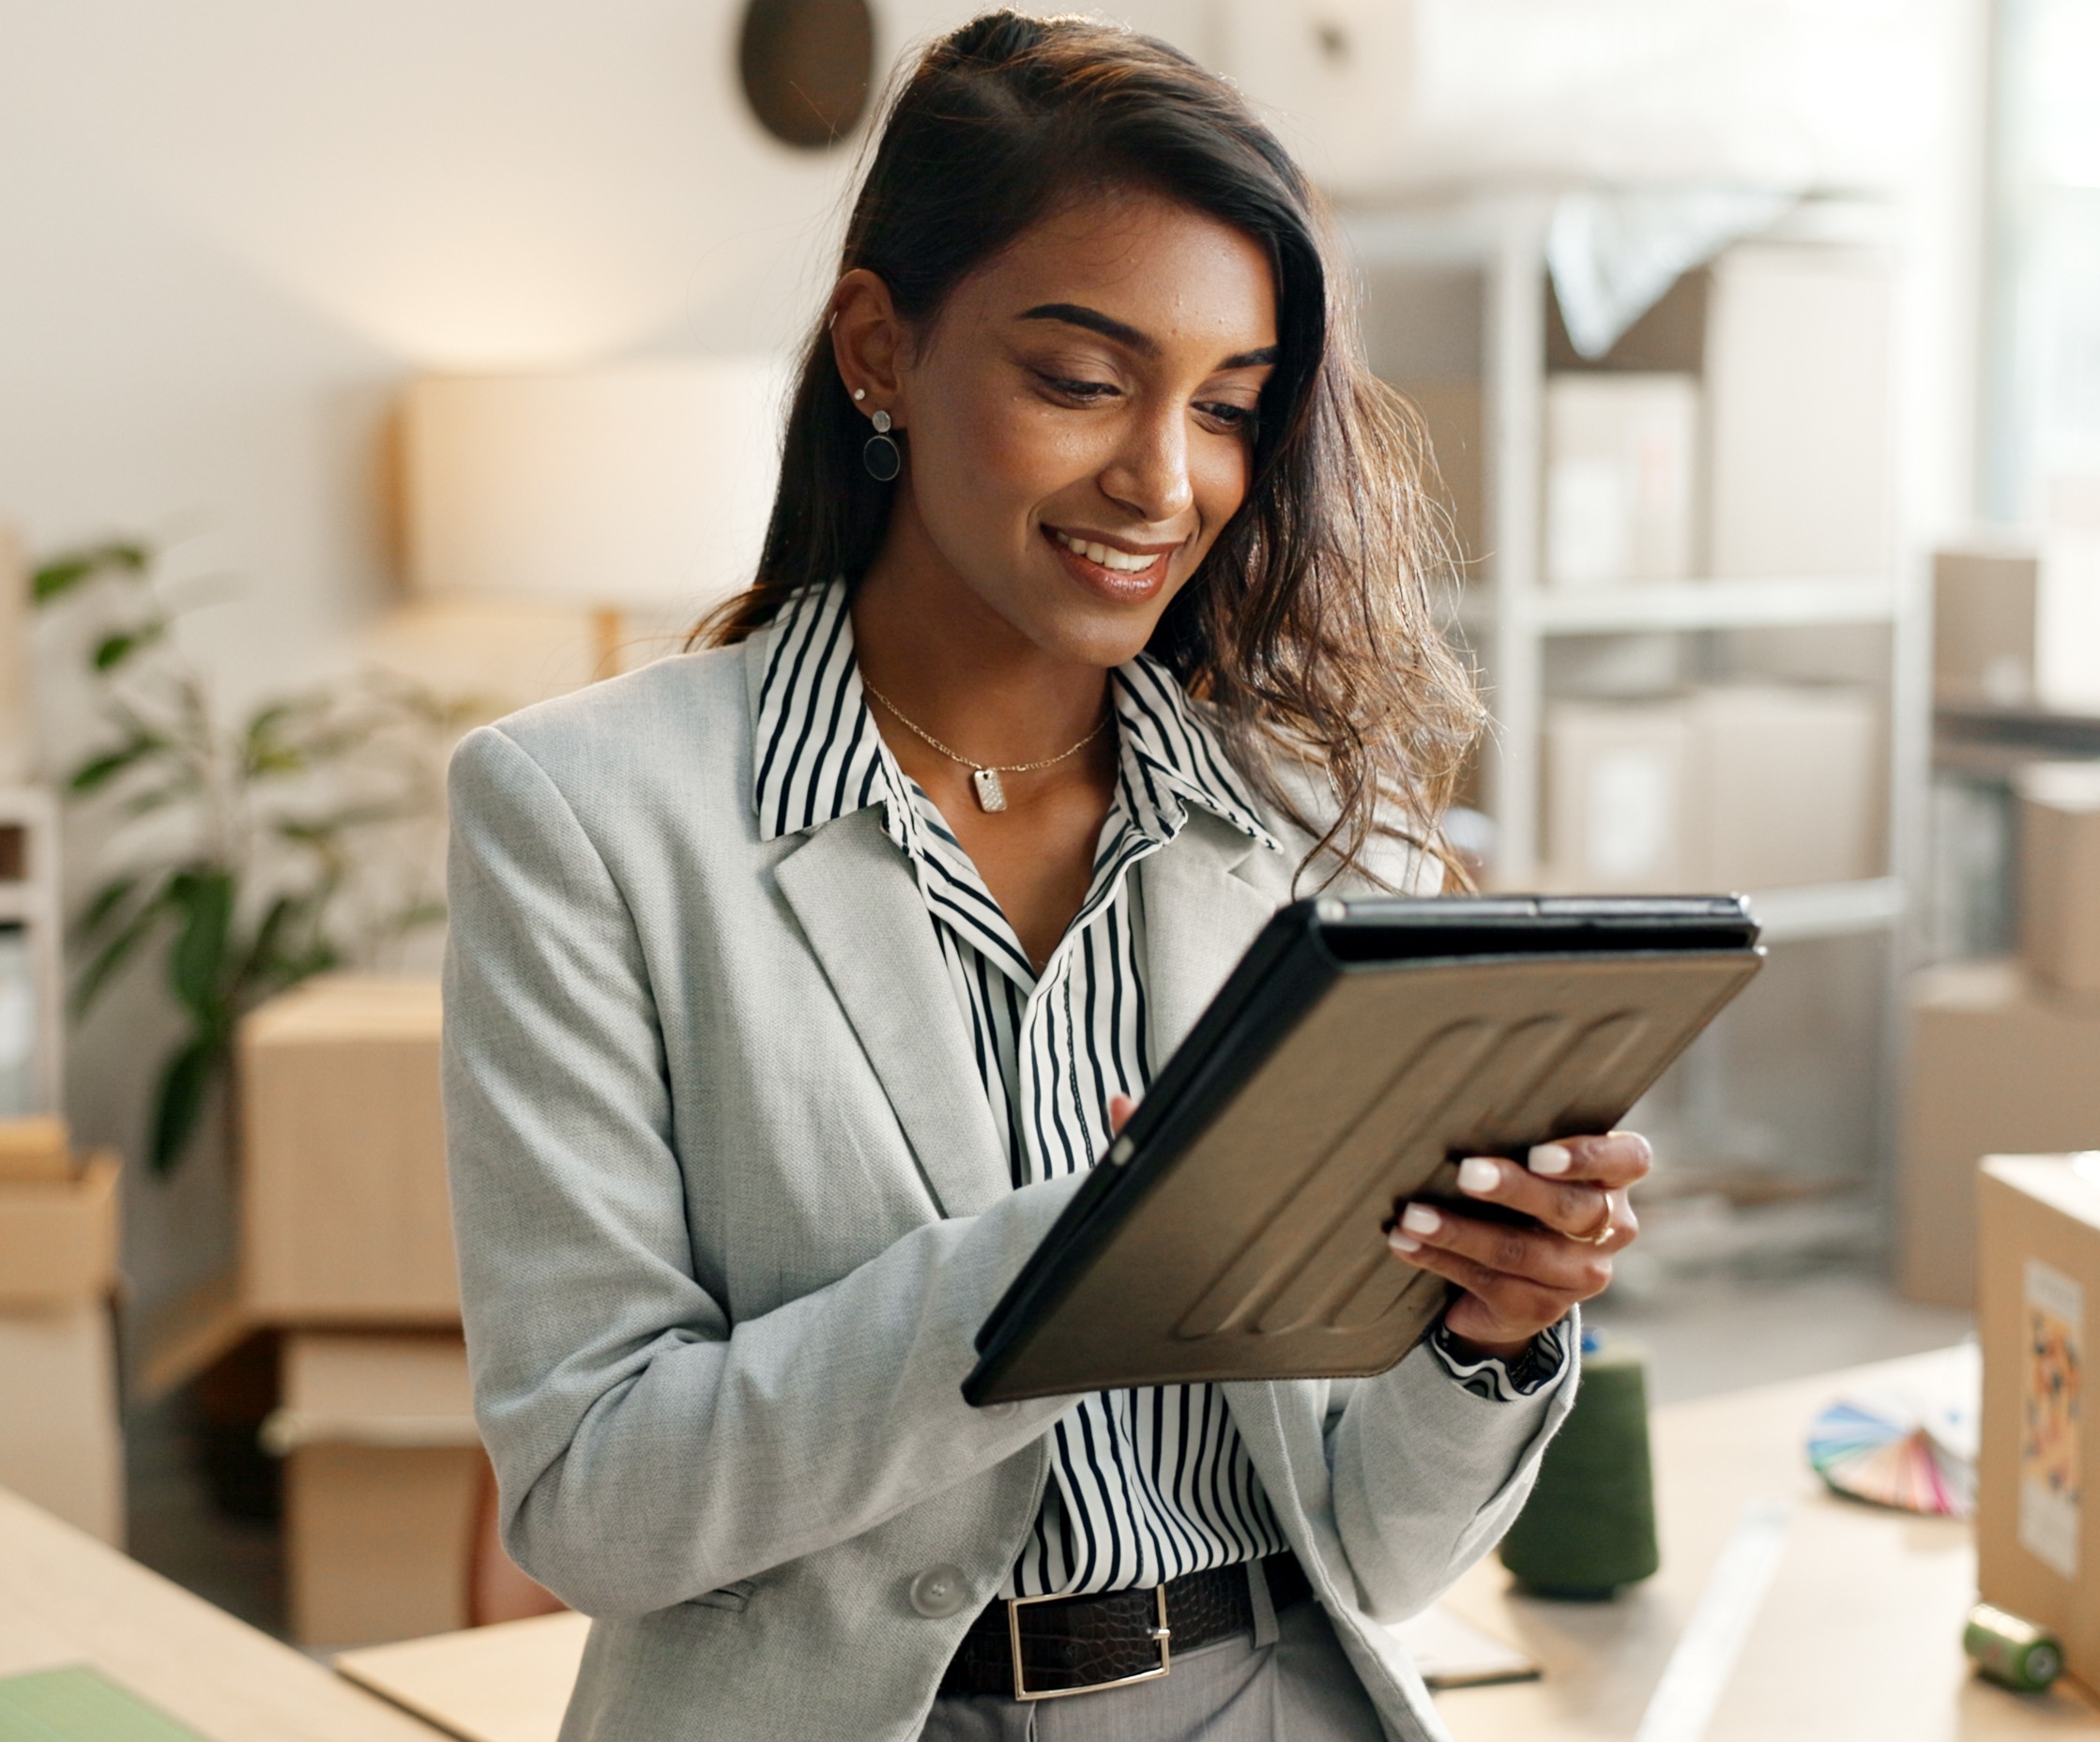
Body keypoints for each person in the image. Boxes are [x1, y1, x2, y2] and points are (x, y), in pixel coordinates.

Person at [441, 14, 1655, 1738]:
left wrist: (1490, 1330)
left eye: (1229, 409)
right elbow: (598, 1507)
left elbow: (1382, 1555)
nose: (1164, 482)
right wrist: (1072, 1268)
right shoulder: (585, 816)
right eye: (1083, 382)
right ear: (880, 346)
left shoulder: (1327, 833)